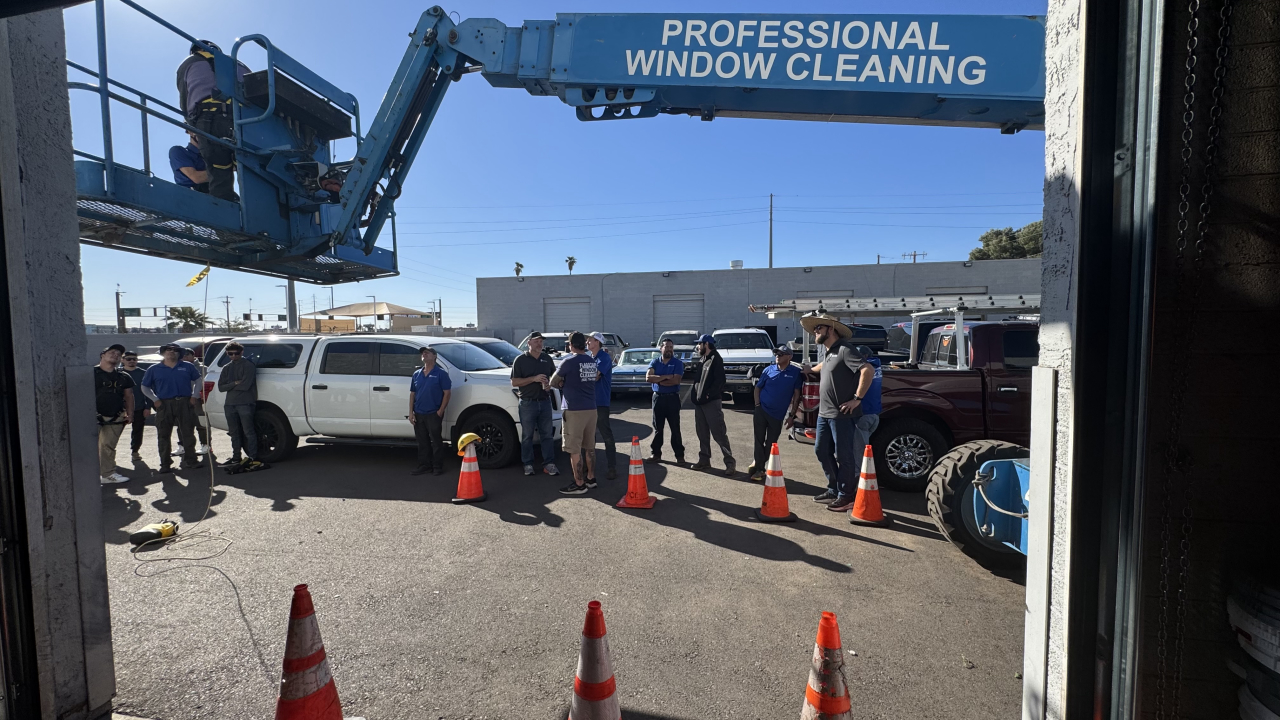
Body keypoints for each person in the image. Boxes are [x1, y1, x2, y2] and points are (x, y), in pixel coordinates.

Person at [799, 312, 865, 512]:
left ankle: (846, 496)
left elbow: (867, 370)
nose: (815, 332)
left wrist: (857, 399)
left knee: (843, 456)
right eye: (815, 329)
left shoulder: (846, 349)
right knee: (821, 450)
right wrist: (809, 369)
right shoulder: (829, 353)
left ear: (831, 329)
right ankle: (834, 489)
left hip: (841, 415)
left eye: (818, 328)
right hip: (824, 414)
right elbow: (823, 367)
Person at [175, 40, 248, 201]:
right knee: (250, 169)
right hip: (246, 120)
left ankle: (224, 222)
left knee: (219, 173)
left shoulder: (187, 64)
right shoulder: (237, 63)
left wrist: (194, 126)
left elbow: (185, 103)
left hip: (210, 119)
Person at [141, 343, 203, 472]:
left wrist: (194, 396)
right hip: (164, 404)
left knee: (188, 433)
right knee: (163, 434)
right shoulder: (154, 369)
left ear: (179, 353)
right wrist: (155, 399)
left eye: (175, 350)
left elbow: (198, 380)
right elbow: (144, 387)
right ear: (163, 352)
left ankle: (191, 460)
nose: (171, 352)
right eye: (168, 350)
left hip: (185, 402)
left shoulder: (187, 366)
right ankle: (165, 464)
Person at [550, 332, 598, 494]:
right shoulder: (591, 361)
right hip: (591, 408)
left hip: (574, 409)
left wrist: (564, 383)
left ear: (571, 345)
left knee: (574, 448)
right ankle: (591, 478)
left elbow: (553, 382)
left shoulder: (568, 361)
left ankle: (579, 483)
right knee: (589, 446)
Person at [748, 345, 804, 482]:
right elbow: (758, 388)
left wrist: (792, 416)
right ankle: (760, 468)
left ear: (789, 357)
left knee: (771, 443)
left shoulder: (795, 372)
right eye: (776, 353)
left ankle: (759, 463)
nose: (777, 356)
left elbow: (797, 396)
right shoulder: (768, 370)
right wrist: (757, 406)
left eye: (781, 354)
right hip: (761, 410)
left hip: (777, 415)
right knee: (758, 440)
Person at [510, 332, 559, 477]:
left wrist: (550, 384)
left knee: (547, 435)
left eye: (541, 341)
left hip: (544, 401)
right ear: (529, 343)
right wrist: (534, 379)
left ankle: (549, 464)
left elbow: (554, 377)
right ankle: (528, 464)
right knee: (527, 436)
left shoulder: (546, 359)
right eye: (537, 341)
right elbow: (514, 382)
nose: (540, 344)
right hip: (527, 403)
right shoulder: (520, 360)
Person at [690, 334, 735, 476]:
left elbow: (720, 380)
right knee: (702, 433)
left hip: (711, 403)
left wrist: (709, 395)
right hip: (700, 404)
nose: (697, 346)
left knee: (719, 434)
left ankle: (730, 463)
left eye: (699, 344)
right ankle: (704, 460)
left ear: (706, 344)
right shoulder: (703, 359)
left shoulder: (716, 359)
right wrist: (695, 396)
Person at [217, 342, 261, 469]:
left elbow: (246, 385)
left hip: (246, 403)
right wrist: (235, 383)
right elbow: (220, 387)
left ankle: (252, 457)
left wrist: (231, 385)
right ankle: (236, 457)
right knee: (233, 432)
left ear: (241, 352)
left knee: (248, 431)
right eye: (230, 354)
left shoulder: (248, 365)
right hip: (230, 404)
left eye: (236, 353)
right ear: (227, 354)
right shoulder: (226, 367)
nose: (233, 356)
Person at [94, 344, 134, 484]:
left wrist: (130, 413)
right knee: (87, 447)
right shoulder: (90, 373)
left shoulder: (124, 376)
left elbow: (129, 396)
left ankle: (107, 474)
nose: (115, 355)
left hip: (115, 416)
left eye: (118, 354)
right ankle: (87, 476)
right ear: (102, 355)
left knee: (108, 446)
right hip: (92, 416)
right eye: (112, 352)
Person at [409, 346, 451, 476]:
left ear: (434, 356)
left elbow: (447, 393)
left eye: (427, 353)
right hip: (419, 413)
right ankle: (424, 465)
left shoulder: (441, 374)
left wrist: (441, 410)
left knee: (436, 441)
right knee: (422, 441)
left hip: (433, 413)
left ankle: (437, 466)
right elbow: (412, 394)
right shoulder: (417, 374)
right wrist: (411, 412)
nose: (424, 354)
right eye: (423, 353)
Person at [645, 338, 685, 464]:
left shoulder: (677, 363)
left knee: (675, 428)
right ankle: (656, 454)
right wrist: (667, 377)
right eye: (666, 347)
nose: (669, 349)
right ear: (661, 348)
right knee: (658, 428)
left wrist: (658, 380)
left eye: (671, 347)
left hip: (672, 398)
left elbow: (676, 380)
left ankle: (680, 456)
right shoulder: (655, 362)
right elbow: (648, 378)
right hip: (658, 398)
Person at [587, 332, 617, 480]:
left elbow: (595, 375)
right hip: (590, 403)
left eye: (590, 340)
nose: (587, 342)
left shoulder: (603, 357)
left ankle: (612, 467)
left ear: (597, 342)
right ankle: (590, 469)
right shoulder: (591, 357)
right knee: (589, 437)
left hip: (601, 402)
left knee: (606, 435)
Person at [847, 344, 883, 463]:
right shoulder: (877, 366)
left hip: (863, 415)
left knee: (860, 455)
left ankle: (860, 479)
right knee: (864, 449)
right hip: (875, 415)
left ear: (864, 356)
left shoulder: (862, 369)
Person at [176, 348, 211, 457]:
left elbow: (204, 384)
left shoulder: (203, 368)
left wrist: (197, 395)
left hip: (198, 399)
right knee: (181, 424)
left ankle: (206, 445)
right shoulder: (178, 368)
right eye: (182, 355)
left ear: (193, 355)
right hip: (182, 399)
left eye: (187, 355)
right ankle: (182, 446)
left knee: (201, 422)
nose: (184, 357)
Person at [121, 351, 151, 461]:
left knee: (138, 431)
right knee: (115, 432)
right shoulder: (118, 373)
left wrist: (148, 407)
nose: (131, 361)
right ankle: (109, 454)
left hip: (139, 407)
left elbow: (148, 391)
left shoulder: (143, 373)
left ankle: (135, 451)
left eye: (134, 359)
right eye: (128, 359)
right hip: (121, 409)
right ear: (122, 360)